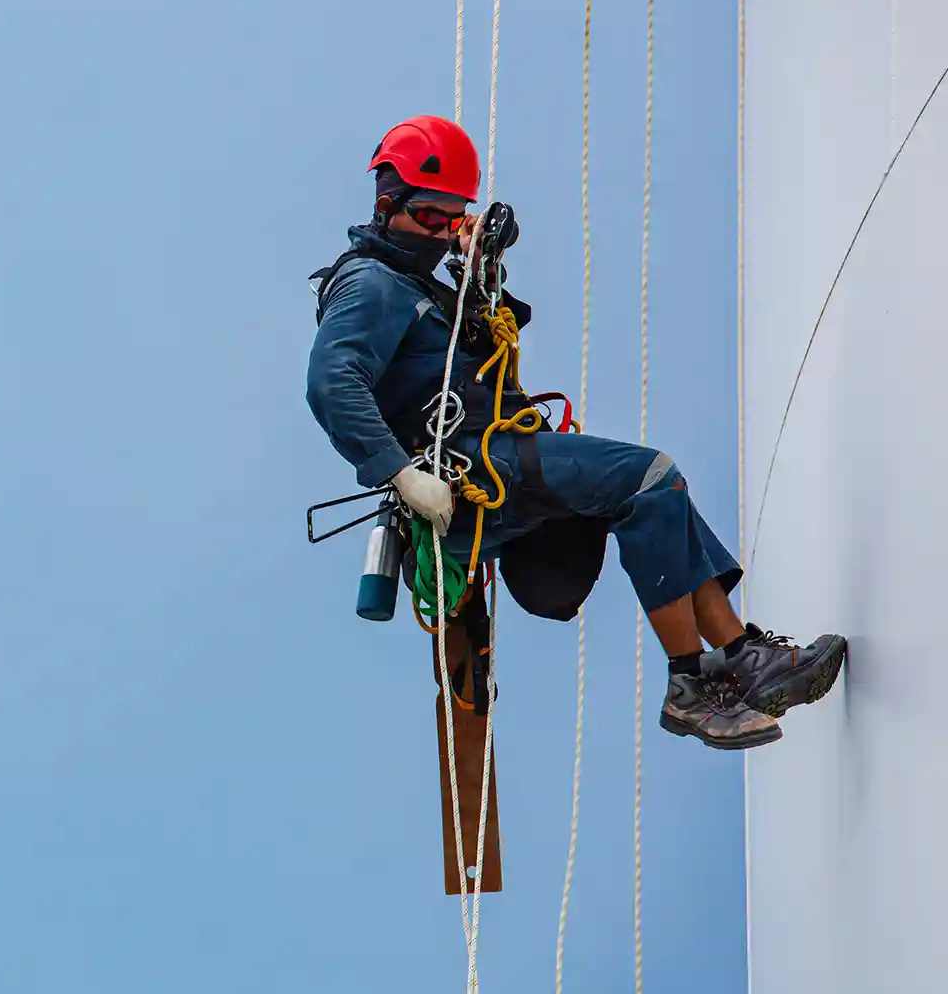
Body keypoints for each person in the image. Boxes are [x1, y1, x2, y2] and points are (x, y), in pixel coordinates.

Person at [304, 114, 847, 750]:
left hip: (491, 459)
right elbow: (332, 382)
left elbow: (476, 359)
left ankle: (739, 654)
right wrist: (402, 475)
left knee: (658, 492)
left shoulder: (423, 285)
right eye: (431, 218)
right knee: (649, 478)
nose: (443, 232)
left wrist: (479, 273)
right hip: (470, 469)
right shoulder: (370, 283)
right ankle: (691, 686)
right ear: (386, 204)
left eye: (455, 220)